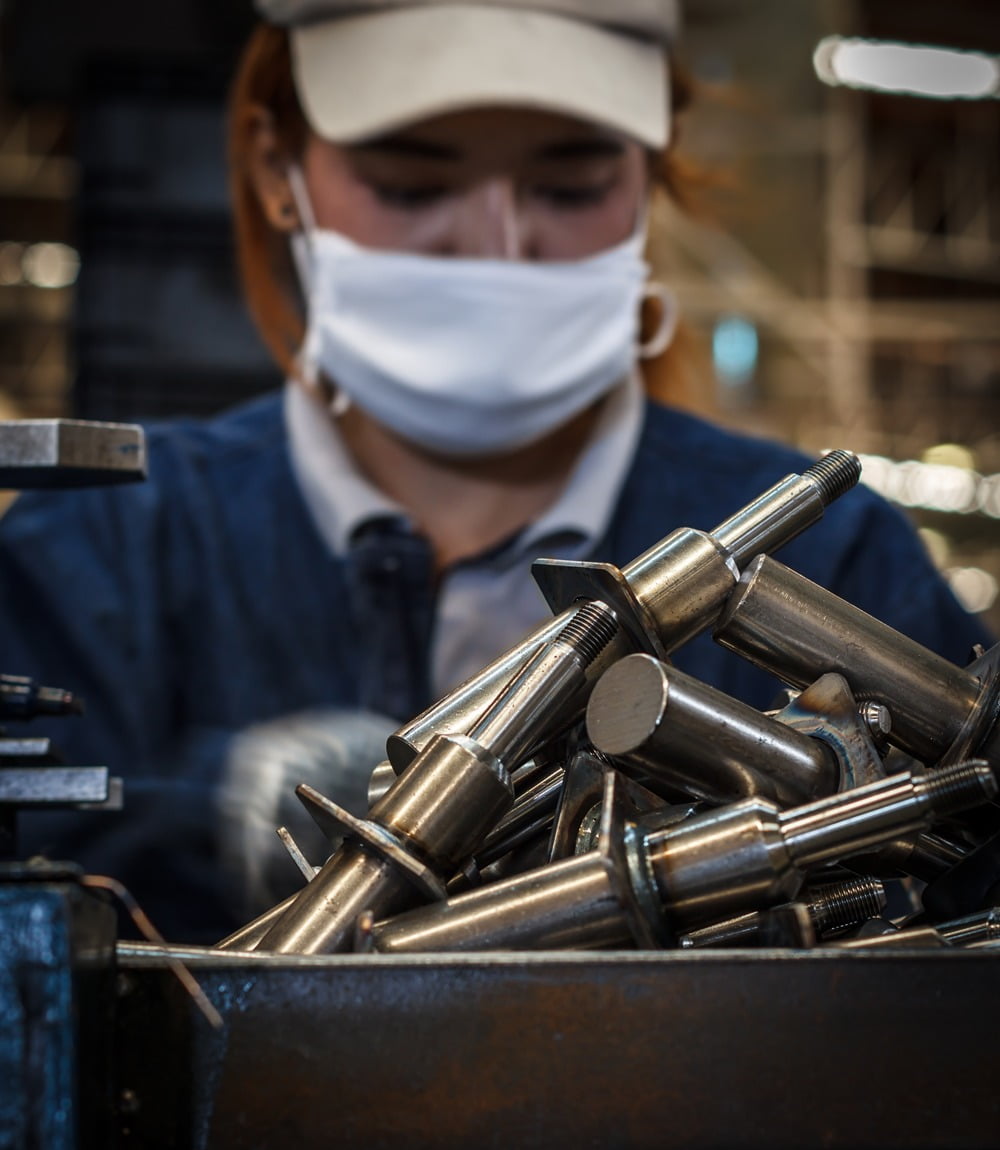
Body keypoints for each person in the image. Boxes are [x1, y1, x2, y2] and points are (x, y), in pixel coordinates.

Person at [1, 0, 991, 941]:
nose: (497, 247)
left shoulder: (839, 558)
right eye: (410, 182)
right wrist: (212, 808)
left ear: (651, 170)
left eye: (567, 185)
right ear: (274, 165)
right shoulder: (97, 546)